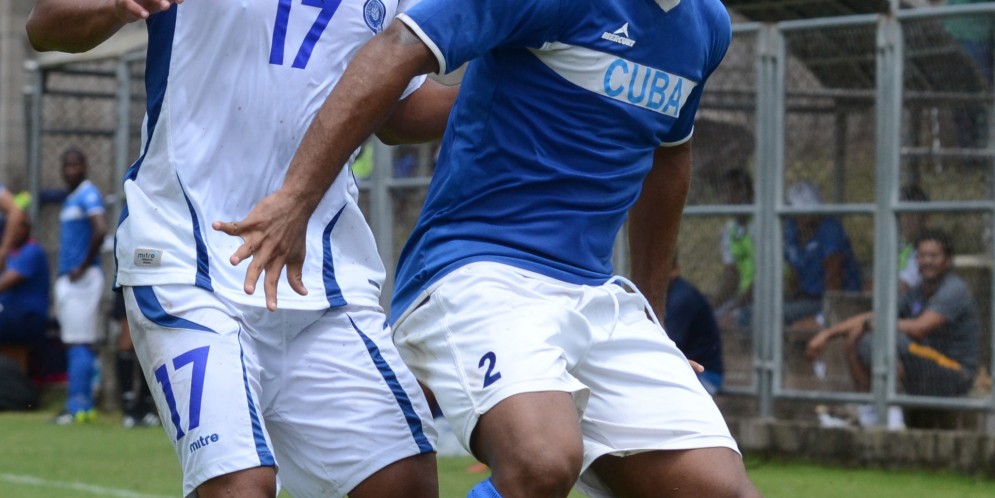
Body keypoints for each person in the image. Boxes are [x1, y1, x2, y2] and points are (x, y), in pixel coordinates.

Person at [220, 1, 762, 497]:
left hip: (596, 293)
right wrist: (296, 197)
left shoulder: (706, 25)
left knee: (720, 490)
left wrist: (654, 320)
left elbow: (670, 156)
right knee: (542, 460)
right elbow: (396, 47)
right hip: (476, 269)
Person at [27, 0, 456, 496]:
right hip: (186, 259)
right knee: (241, 487)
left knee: (404, 484)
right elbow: (46, 24)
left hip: (321, 276)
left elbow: (398, 109)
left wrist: (505, 90)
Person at [806, 229, 980, 424]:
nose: (927, 261)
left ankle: (894, 418)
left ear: (948, 260)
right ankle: (868, 412)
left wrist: (873, 324)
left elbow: (919, 328)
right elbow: (876, 316)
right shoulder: (917, 291)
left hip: (954, 372)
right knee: (857, 336)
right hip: (924, 364)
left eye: (933, 256)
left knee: (888, 339)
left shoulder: (954, 289)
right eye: (922, 256)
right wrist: (827, 334)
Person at [50, 147, 107, 425]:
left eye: (76, 165)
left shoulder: (87, 193)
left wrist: (83, 266)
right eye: (67, 165)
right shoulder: (71, 198)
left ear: (85, 166)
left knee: (78, 342)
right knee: (75, 341)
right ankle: (83, 403)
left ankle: (77, 405)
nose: (71, 170)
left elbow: (100, 229)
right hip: (72, 278)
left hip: (81, 278)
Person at [783, 181, 862, 327]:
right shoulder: (792, 229)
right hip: (806, 297)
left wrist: (826, 314)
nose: (795, 216)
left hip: (829, 300)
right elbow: (793, 275)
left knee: (780, 315)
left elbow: (834, 281)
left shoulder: (829, 229)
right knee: (759, 311)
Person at [0, 193, 50, 356]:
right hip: (11, 316)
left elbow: (5, 283)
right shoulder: (11, 254)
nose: (16, 230)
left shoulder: (31, 251)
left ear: (28, 228)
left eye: (21, 226)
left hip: (28, 318)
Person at [666, 258, 725, 395]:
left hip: (706, 375)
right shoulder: (670, 293)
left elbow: (670, 344)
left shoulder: (682, 298)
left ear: (674, 269)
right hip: (686, 372)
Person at [712, 168, 756, 330]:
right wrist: (709, 307)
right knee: (706, 319)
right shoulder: (730, 230)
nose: (730, 198)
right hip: (743, 297)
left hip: (768, 296)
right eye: (726, 192)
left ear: (749, 193)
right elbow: (731, 278)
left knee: (726, 321)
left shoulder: (761, 224)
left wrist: (733, 307)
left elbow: (763, 282)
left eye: (735, 191)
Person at [112, 290, 158, 428]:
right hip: (130, 283)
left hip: (157, 286)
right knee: (127, 341)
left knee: (150, 343)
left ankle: (146, 404)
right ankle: (128, 405)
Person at [897, 184, 930, 294]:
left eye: (912, 215)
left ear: (924, 218)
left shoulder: (927, 246)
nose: (906, 220)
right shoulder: (899, 244)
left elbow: (903, 287)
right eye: (902, 214)